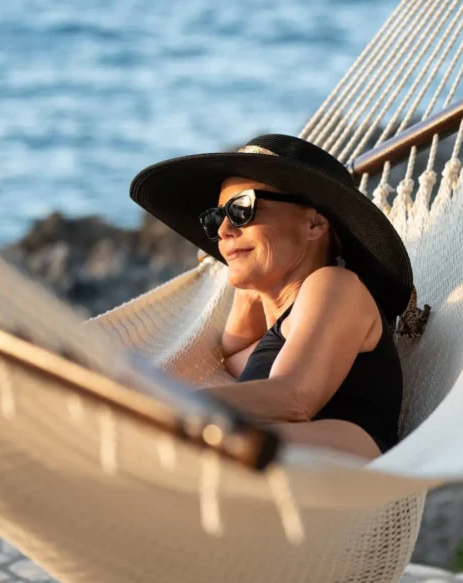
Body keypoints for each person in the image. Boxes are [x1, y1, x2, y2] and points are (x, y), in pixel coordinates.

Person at [129, 134, 421, 460]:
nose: (223, 230)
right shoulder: (283, 339)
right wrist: (252, 279)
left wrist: (159, 401)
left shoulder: (336, 284)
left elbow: (293, 399)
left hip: (342, 479)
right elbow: (234, 351)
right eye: (216, 218)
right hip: (288, 477)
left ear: (314, 223)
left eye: (242, 209)